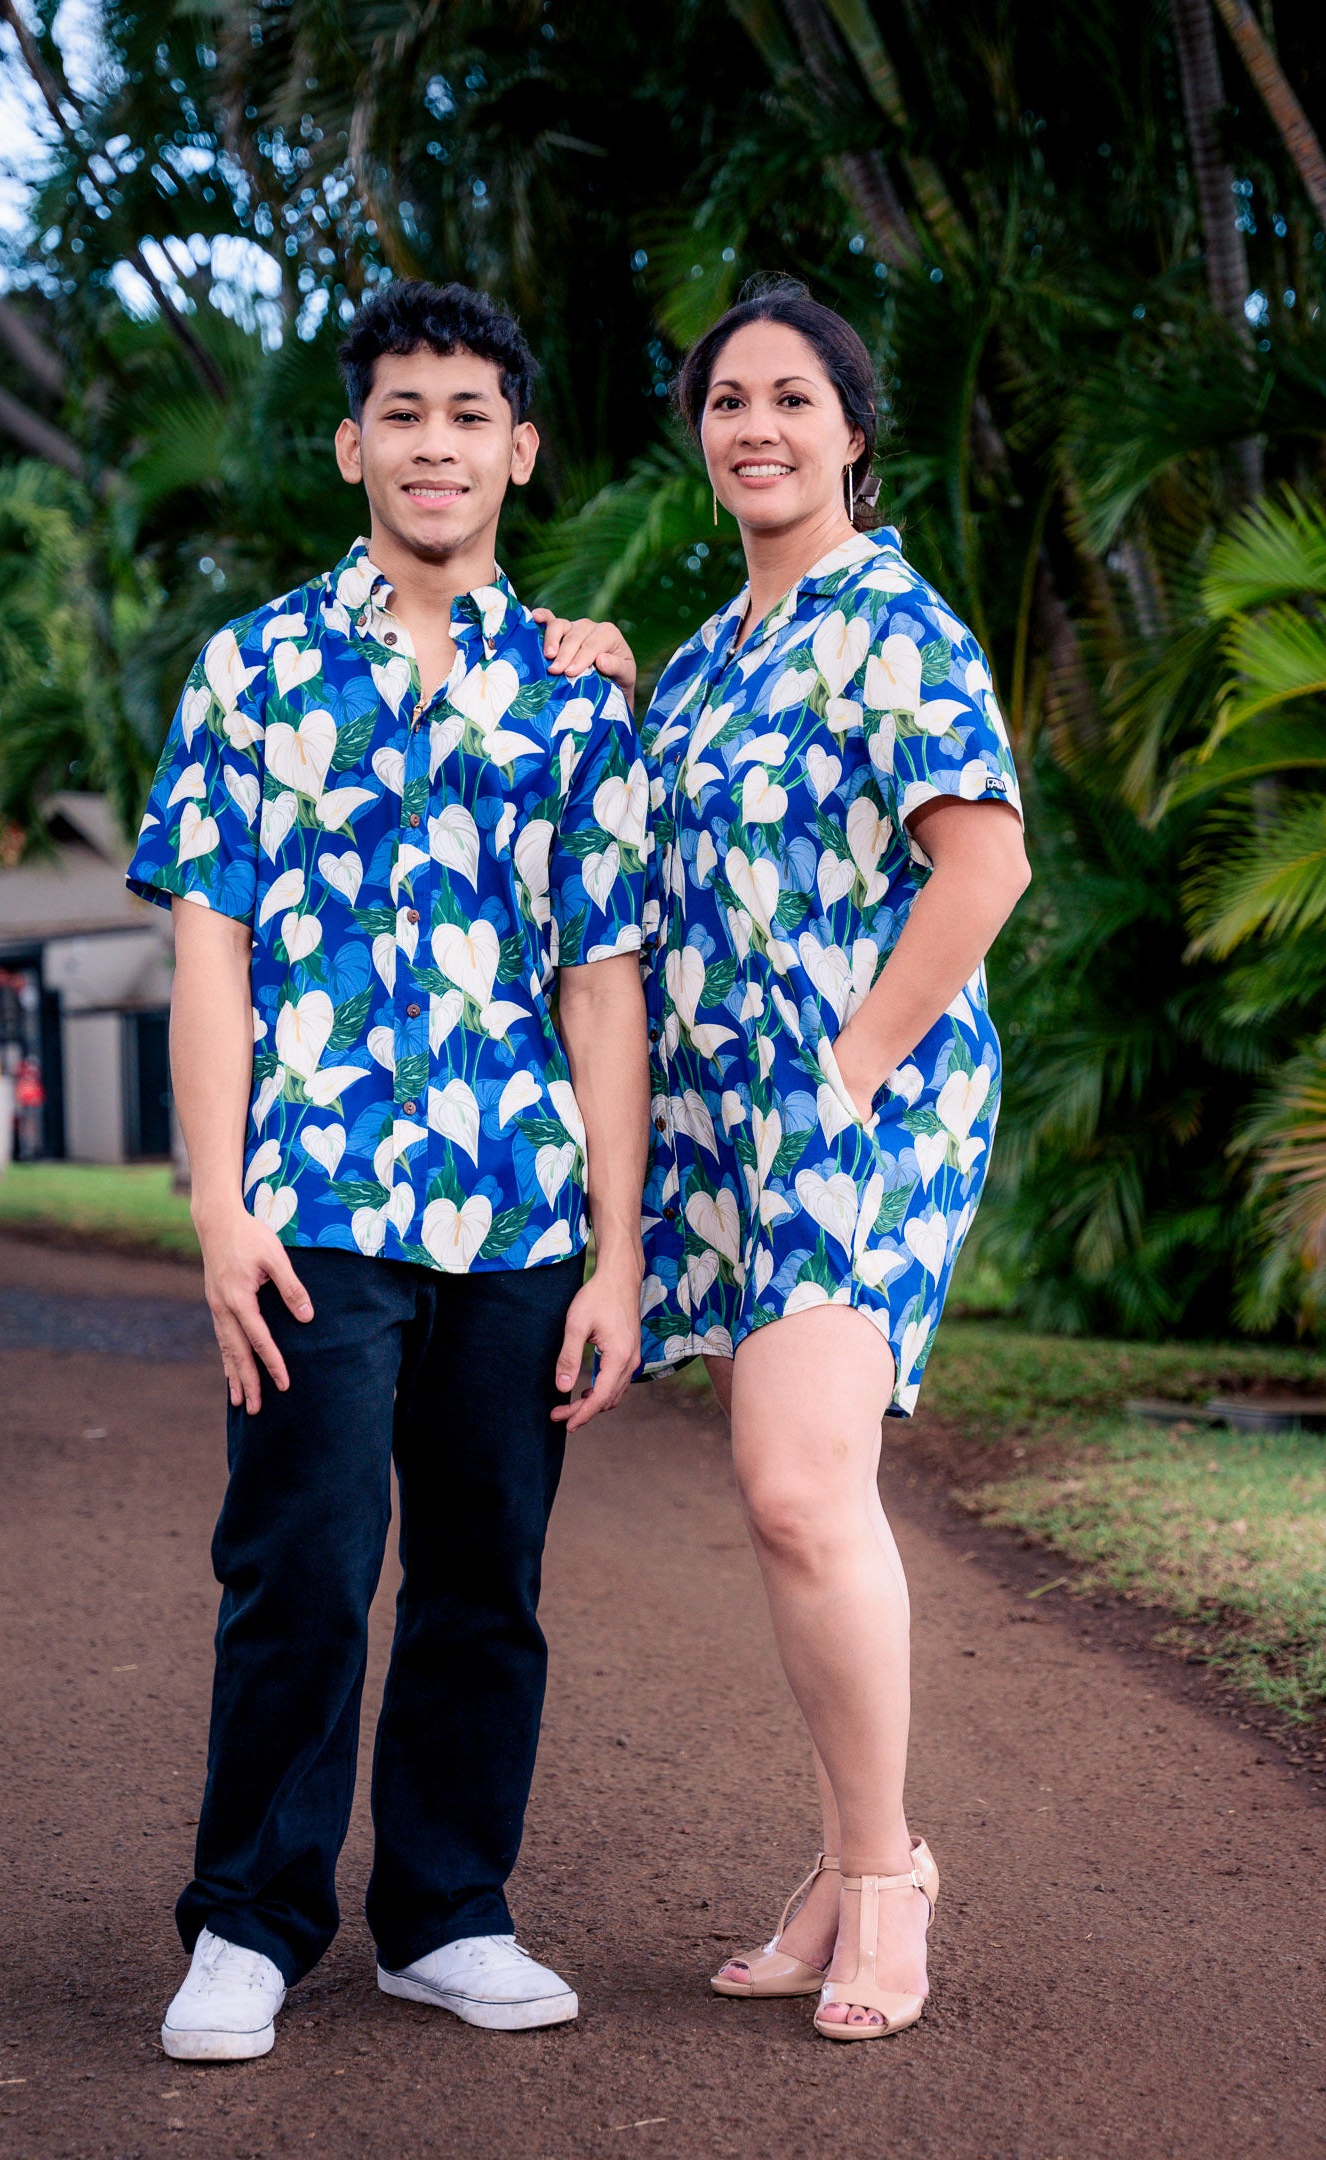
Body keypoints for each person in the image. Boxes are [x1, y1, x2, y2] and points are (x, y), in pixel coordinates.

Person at [126, 280, 651, 2058]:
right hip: (315, 1211)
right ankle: (250, 1927)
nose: (437, 444)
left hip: (521, 1206)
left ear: (521, 449)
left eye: (470, 415)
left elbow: (603, 978)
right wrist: (215, 1206)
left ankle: (449, 1913)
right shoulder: (254, 666)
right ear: (355, 445)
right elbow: (209, 948)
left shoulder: (582, 694)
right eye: (403, 413)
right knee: (301, 1561)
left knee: (487, 1582)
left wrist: (619, 1255)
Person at [539, 276, 1030, 2040]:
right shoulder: (709, 650)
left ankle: (886, 1884)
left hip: (860, 1106)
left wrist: (852, 1061)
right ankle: (848, 1858)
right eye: (728, 401)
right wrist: (605, 672)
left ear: (852, 431)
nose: (756, 426)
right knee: (794, 1498)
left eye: (792, 399)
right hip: (728, 1123)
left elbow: (983, 870)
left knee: (799, 1484)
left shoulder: (895, 624)